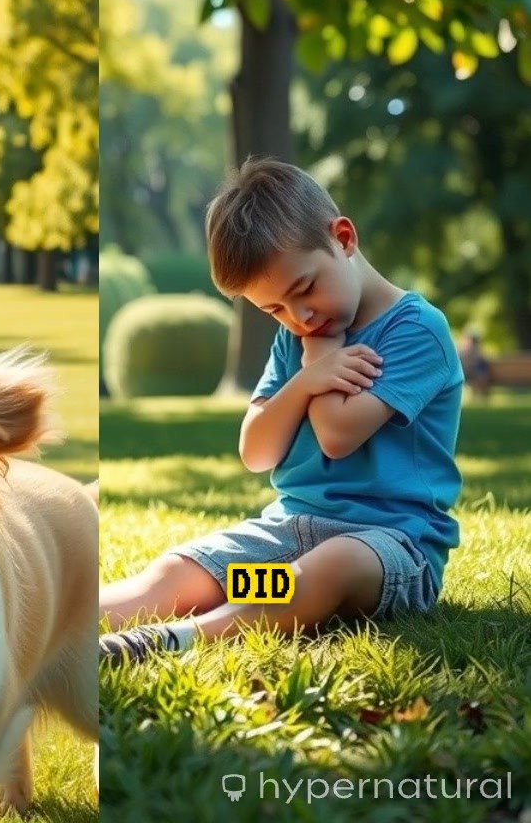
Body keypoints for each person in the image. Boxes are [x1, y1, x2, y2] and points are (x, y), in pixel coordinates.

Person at [99, 157, 464, 666]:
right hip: (289, 538)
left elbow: (338, 436)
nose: (300, 317)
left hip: (392, 548)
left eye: (304, 289)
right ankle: (59, 621)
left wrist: (320, 357)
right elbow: (256, 449)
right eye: (275, 310)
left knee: (325, 570)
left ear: (343, 238)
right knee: (185, 574)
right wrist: (309, 377)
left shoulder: (417, 330)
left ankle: (175, 638)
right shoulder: (301, 339)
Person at [458, 331, 491, 398]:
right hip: (472, 373)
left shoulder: (464, 351)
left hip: (467, 373)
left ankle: (479, 393)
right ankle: (481, 393)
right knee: (481, 372)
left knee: (480, 371)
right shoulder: (478, 351)